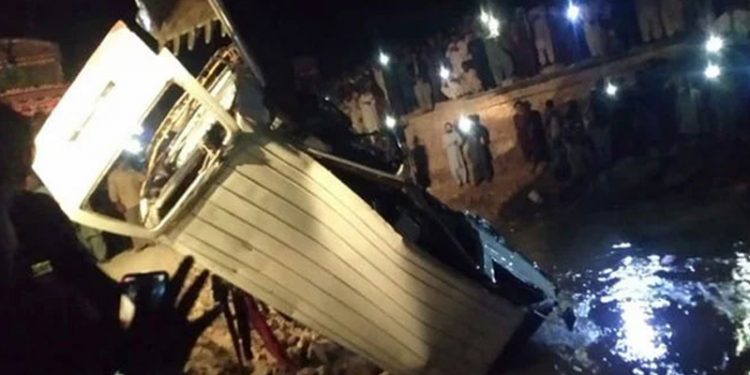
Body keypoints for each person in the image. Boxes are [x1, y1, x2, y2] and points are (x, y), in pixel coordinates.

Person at [0, 103, 220, 373]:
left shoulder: (33, 218)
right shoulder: (33, 214)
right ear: (22, 159)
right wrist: (152, 347)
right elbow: (95, 289)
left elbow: (89, 282)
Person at [107, 157, 148, 250]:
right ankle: (139, 244)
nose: (124, 162)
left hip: (137, 200)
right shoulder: (113, 176)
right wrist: (117, 203)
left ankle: (146, 241)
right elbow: (112, 193)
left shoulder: (130, 171)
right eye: (123, 161)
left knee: (140, 222)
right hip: (127, 204)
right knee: (134, 224)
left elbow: (143, 179)